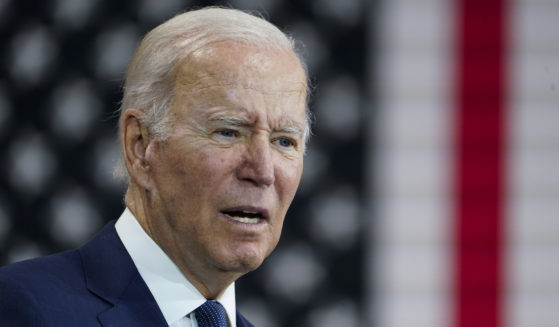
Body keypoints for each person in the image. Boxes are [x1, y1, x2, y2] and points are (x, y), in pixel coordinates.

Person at [0, 7, 309, 327]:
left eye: (284, 141)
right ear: (140, 146)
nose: (262, 171)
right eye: (228, 132)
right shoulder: (24, 307)